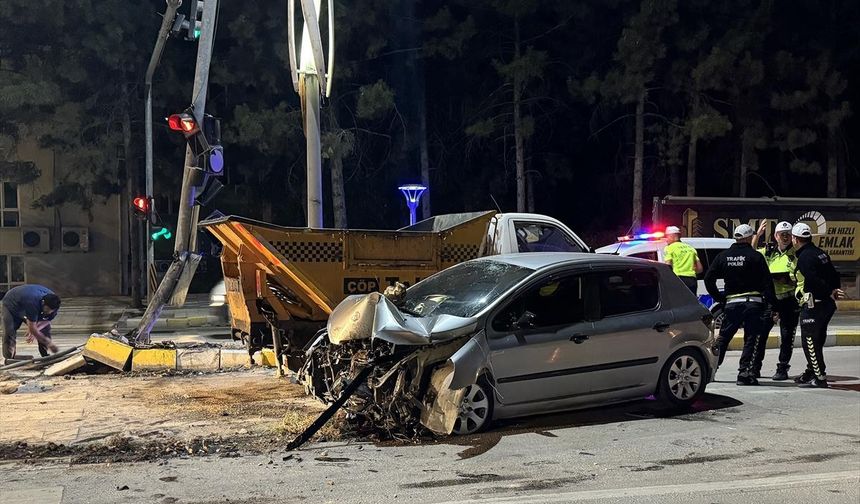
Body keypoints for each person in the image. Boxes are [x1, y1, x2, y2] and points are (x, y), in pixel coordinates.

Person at [704, 224, 776, 385]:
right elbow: (767, 283)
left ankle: (710, 370)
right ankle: (744, 373)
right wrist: (773, 305)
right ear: (750, 238)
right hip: (753, 304)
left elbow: (709, 279)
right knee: (751, 338)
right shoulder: (756, 256)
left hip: (731, 304)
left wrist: (720, 298)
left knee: (723, 338)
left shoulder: (723, 256)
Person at [790, 223, 844, 388]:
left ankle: (819, 378)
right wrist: (833, 290)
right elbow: (834, 274)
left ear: (796, 239)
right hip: (826, 305)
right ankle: (812, 372)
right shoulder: (820, 253)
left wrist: (829, 291)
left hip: (814, 305)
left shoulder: (805, 257)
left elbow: (813, 279)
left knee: (810, 342)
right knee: (818, 339)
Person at [750, 220, 799, 381]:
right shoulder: (769, 252)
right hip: (770, 300)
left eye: (788, 235)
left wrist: (787, 281)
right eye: (781, 234)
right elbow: (752, 253)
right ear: (776, 236)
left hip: (789, 300)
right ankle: (755, 367)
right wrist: (757, 235)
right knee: (761, 334)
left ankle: (782, 368)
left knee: (787, 335)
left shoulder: (797, 253)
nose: (785, 237)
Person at [0, 284, 61, 362]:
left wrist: (35, 330)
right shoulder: (32, 303)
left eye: (50, 311)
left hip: (28, 301)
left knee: (44, 330)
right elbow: (33, 329)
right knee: (9, 331)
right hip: (12, 304)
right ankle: (9, 358)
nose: (48, 312)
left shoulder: (55, 304)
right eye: (47, 309)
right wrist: (49, 343)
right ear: (43, 303)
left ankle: (45, 356)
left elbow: (46, 321)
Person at [663, 226, 702, 294]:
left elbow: (667, 266)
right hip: (692, 281)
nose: (666, 239)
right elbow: (700, 269)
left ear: (673, 236)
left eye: (667, 236)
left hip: (678, 279)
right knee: (691, 303)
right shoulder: (691, 248)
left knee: (679, 303)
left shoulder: (669, 248)